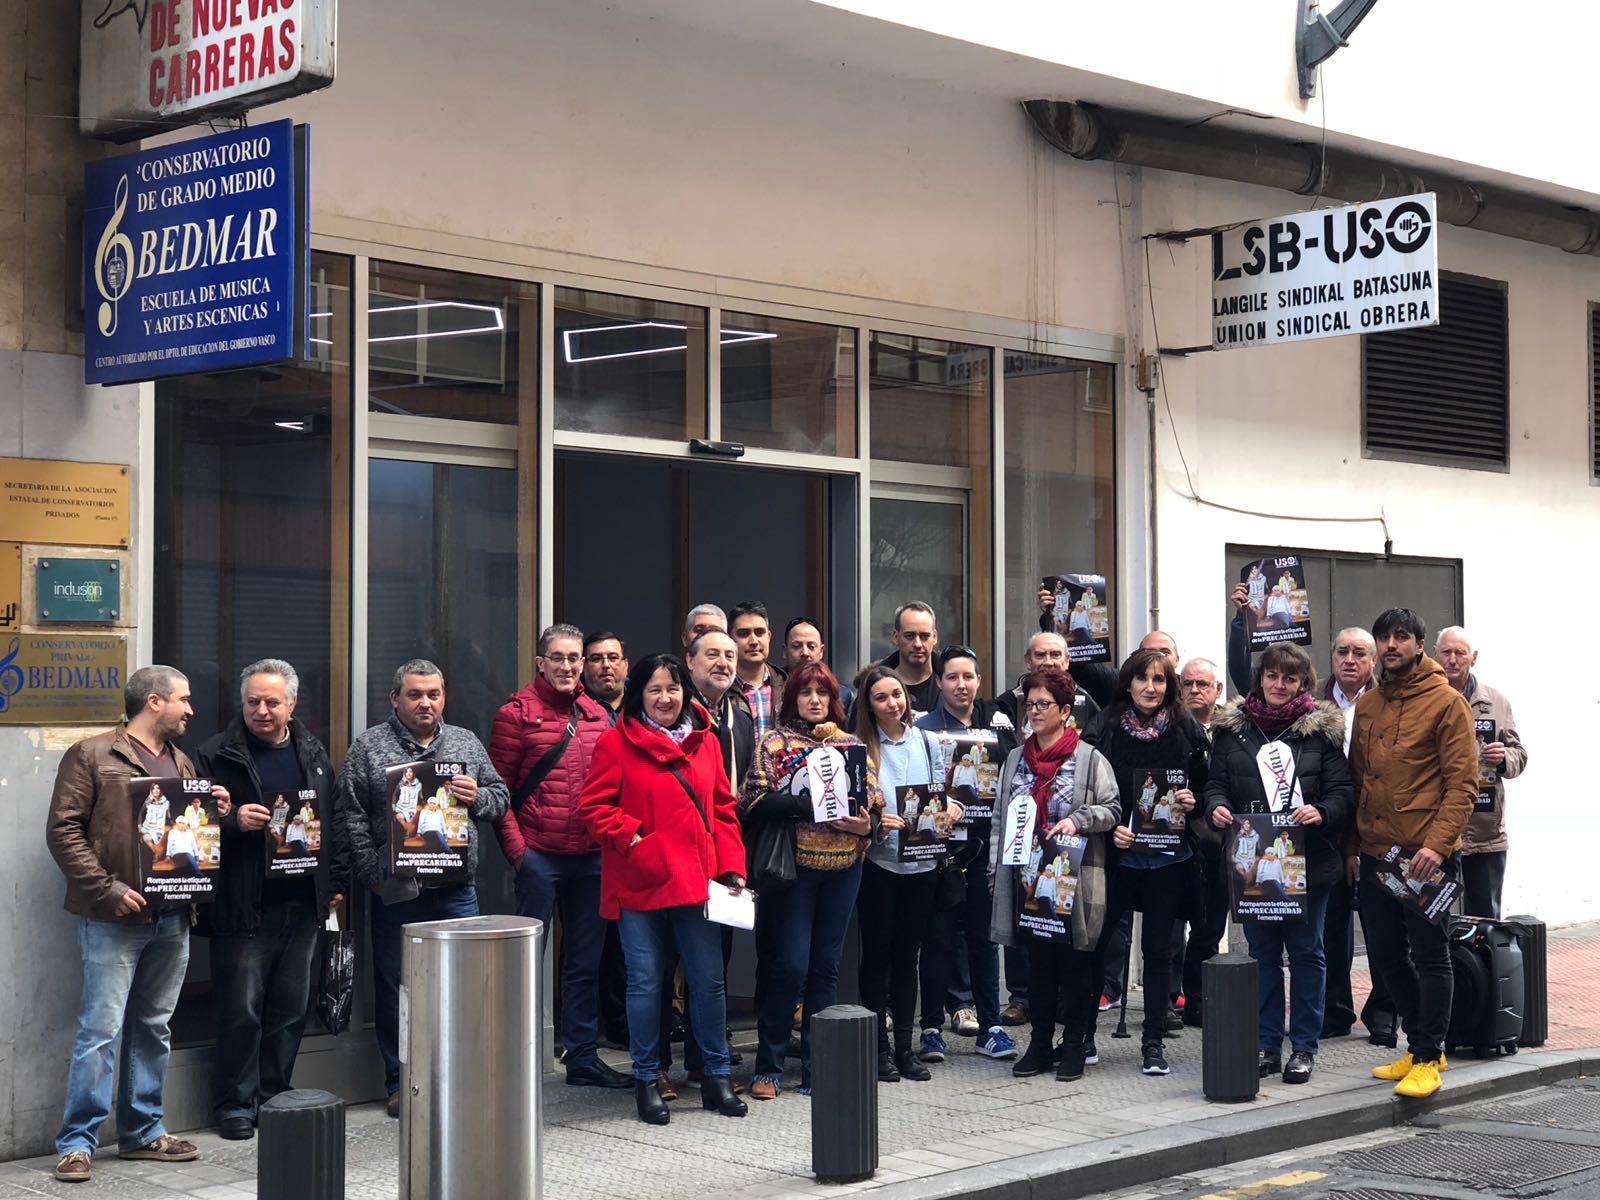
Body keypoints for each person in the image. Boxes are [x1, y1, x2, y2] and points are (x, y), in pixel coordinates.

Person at [46, 665, 233, 1183]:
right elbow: (63, 832)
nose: (191, 709)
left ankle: (144, 1132)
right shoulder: (92, 755)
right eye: (183, 700)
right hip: (113, 918)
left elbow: (184, 838)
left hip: (173, 916)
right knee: (100, 1031)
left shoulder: (181, 760)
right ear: (154, 702)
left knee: (153, 1027)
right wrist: (106, 889)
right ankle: (77, 1143)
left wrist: (215, 811)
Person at [576, 654, 749, 1125]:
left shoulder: (706, 741)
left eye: (672, 688)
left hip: (698, 880)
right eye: (654, 689)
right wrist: (635, 837)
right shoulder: (615, 743)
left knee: (708, 981)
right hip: (641, 880)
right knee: (646, 983)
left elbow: (723, 809)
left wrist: (732, 866)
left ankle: (716, 1076)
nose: (665, 698)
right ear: (639, 695)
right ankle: (647, 1078)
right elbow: (593, 807)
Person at [341, 658, 510, 1117]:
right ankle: (401, 1083)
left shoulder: (465, 742)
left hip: (456, 889)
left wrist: (479, 796)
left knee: (465, 986)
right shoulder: (369, 747)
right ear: (395, 698)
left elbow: (500, 797)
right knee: (400, 989)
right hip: (398, 890)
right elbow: (350, 815)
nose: (425, 703)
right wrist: (373, 874)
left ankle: (460, 1079)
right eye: (415, 694)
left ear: (444, 697)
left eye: (434, 694)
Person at [194, 659, 348, 1140]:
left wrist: (335, 882)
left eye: (272, 702)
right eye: (253, 702)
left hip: (302, 902)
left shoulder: (313, 752)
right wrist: (232, 821)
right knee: (240, 1011)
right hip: (244, 904)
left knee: (289, 1009)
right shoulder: (213, 755)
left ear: (292, 704)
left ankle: (274, 1096)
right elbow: (190, 828)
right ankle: (234, 1106)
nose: (262, 711)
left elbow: (334, 820)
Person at [1203, 642, 1353, 1085]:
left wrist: (1321, 811)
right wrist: (1216, 808)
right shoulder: (1232, 731)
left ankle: (1304, 1046)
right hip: (1251, 861)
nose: (1279, 685)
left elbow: (1343, 792)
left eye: (1290, 678)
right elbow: (1215, 785)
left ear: (1304, 683)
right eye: (1272, 676)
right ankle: (1267, 1043)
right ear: (1260, 679)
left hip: (1308, 859)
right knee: (1263, 955)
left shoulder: (1321, 733)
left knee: (1306, 953)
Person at [489, 625, 628, 1090]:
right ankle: (515, 1060)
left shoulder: (598, 715)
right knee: (525, 963)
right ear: (541, 663)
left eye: (574, 658)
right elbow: (498, 792)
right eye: (558, 658)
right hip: (540, 857)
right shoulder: (515, 715)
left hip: (591, 859)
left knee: (584, 964)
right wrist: (519, 853)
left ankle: (582, 1057)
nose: (567, 666)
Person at [1349, 609, 1477, 1099]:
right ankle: (1420, 1043)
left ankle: (1428, 1056)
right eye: (1384, 637)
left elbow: (1462, 785)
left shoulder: (1447, 703)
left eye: (1401, 637)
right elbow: (1358, 780)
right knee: (1384, 956)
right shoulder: (1369, 704)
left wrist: (1437, 846)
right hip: (1377, 854)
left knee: (1430, 955)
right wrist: (1353, 848)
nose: (1391, 645)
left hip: (1425, 856)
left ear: (1420, 645)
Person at [741, 662, 878, 1099]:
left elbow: (873, 805)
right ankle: (769, 1065)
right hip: (795, 870)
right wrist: (813, 804)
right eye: (805, 692)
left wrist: (867, 826)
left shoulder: (852, 746)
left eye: (822, 692)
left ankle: (819, 1067)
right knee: (791, 965)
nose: (814, 700)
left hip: (845, 869)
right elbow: (753, 800)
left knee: (826, 967)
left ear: (834, 699)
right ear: (792, 699)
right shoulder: (774, 742)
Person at [990, 668, 1122, 1082]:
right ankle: (1040, 1044)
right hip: (1028, 878)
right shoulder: (1016, 759)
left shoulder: (1089, 758)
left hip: (1074, 879)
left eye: (1043, 704)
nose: (1034, 712)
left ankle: (1076, 1044)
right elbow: (1000, 819)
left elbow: (1113, 809)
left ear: (1066, 711)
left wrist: (1078, 821)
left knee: (1076, 967)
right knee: (1039, 967)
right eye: (1029, 704)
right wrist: (996, 871)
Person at [1082, 648, 1209, 1076]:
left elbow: (1208, 786)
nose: (1150, 688)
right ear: (1128, 683)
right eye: (1142, 679)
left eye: (1159, 679)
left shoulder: (1186, 728)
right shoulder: (1105, 726)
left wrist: (1193, 801)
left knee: (1158, 952)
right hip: (1116, 857)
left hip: (1168, 860)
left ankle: (1153, 1042)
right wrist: (1109, 829)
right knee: (1097, 945)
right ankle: (1083, 1035)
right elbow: (1086, 791)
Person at [853, 664, 960, 1083]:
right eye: (881, 698)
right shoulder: (860, 747)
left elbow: (946, 794)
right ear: (869, 705)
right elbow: (854, 806)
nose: (891, 703)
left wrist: (952, 810)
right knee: (876, 957)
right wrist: (878, 821)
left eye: (896, 694)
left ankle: (904, 1048)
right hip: (880, 864)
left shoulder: (928, 742)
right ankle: (877, 1049)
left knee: (907, 958)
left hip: (923, 863)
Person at [915, 646, 1019, 1063]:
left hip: (985, 848)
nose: (961, 685)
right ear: (939, 683)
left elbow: (1014, 778)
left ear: (979, 681)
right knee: (937, 940)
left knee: (984, 939)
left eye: (968, 677)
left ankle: (990, 1026)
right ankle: (930, 1029)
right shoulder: (923, 729)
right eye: (952, 677)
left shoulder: (996, 726)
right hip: (940, 850)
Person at [1435, 626, 1526, 919]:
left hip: (1485, 831)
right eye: (1446, 652)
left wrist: (1504, 758)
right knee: (1432, 915)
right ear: (1434, 655)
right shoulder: (1423, 700)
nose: (1452, 659)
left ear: (1473, 658)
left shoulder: (1496, 701)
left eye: (1460, 653)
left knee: (1486, 920)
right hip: (1434, 828)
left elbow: (1519, 755)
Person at [1169, 656, 1227, 1027]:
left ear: (1218, 690)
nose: (1194, 690)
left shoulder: (1233, 729)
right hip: (1171, 838)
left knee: (1208, 928)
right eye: (1187, 683)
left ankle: (1197, 999)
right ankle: (1165, 999)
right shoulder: (1167, 726)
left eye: (1202, 684)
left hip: (1214, 841)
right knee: (1170, 928)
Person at [730, 601, 786, 742]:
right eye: (744, 634)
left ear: (769, 637)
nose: (754, 641)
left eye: (759, 633)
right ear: (730, 639)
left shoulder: (787, 687)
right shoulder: (720, 690)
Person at [785, 617, 856, 714]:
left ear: (821, 652)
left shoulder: (843, 696)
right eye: (797, 646)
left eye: (811, 646)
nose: (805, 652)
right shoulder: (773, 691)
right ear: (785, 651)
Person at [885, 602, 941, 714]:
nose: (917, 644)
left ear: (934, 637)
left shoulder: (954, 686)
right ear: (896, 637)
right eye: (909, 636)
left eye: (924, 636)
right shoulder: (873, 686)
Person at [583, 631, 629, 723]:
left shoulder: (644, 706)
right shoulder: (572, 711)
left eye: (613, 657)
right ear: (583, 666)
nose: (606, 665)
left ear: (626, 665)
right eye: (596, 658)